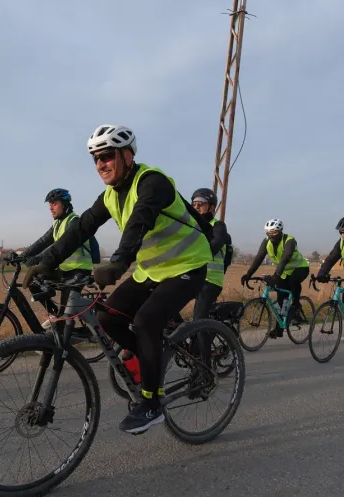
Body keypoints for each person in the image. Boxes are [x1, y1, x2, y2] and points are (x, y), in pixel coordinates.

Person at [22, 124, 212, 434]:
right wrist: (45, 262)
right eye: (95, 158)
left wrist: (119, 262)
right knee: (107, 317)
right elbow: (82, 228)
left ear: (126, 155)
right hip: (152, 270)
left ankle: (152, 404)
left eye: (107, 156)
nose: (100, 164)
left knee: (147, 319)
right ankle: (152, 360)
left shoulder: (153, 182)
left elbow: (141, 220)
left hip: (186, 266)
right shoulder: (110, 195)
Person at [20, 188, 97, 329]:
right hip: (63, 270)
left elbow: (59, 245)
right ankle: (55, 314)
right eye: (50, 204)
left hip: (78, 271)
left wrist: (37, 258)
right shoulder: (57, 223)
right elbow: (43, 241)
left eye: (54, 203)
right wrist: (22, 255)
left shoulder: (74, 222)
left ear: (65, 204)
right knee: (33, 280)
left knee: (64, 320)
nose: (50, 207)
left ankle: (65, 326)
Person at [241, 218, 309, 336]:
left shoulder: (289, 240)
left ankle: (296, 305)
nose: (271, 235)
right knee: (281, 298)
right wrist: (249, 274)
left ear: (281, 231)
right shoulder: (266, 242)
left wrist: (275, 276)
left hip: (300, 268)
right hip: (284, 271)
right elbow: (259, 258)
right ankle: (280, 327)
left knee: (293, 281)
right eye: (269, 232)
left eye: (274, 232)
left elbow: (285, 258)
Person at [189, 187, 232, 320]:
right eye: (194, 204)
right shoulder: (190, 226)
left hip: (210, 280)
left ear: (212, 207)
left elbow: (216, 243)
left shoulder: (218, 226)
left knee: (199, 318)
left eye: (201, 204)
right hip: (192, 276)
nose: (196, 206)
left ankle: (202, 340)